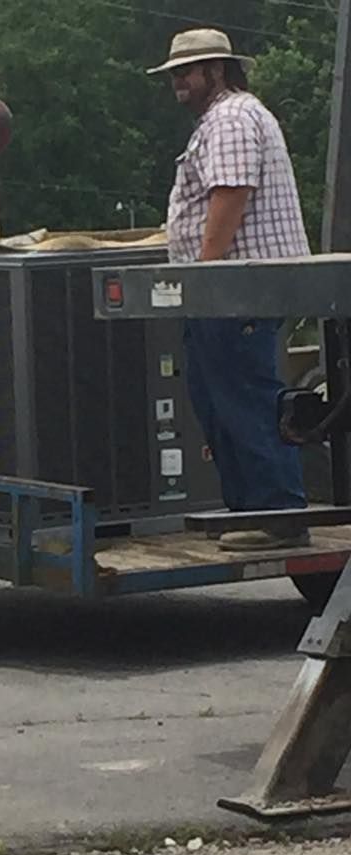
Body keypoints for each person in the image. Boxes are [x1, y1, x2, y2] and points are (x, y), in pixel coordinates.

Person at [148, 29, 310, 551]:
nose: (178, 81)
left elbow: (231, 194)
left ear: (217, 71)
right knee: (219, 401)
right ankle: (251, 513)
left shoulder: (232, 119)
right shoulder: (228, 119)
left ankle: (278, 514)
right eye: (174, 72)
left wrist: (204, 277)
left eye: (187, 71)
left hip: (237, 291)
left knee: (245, 399)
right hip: (235, 291)